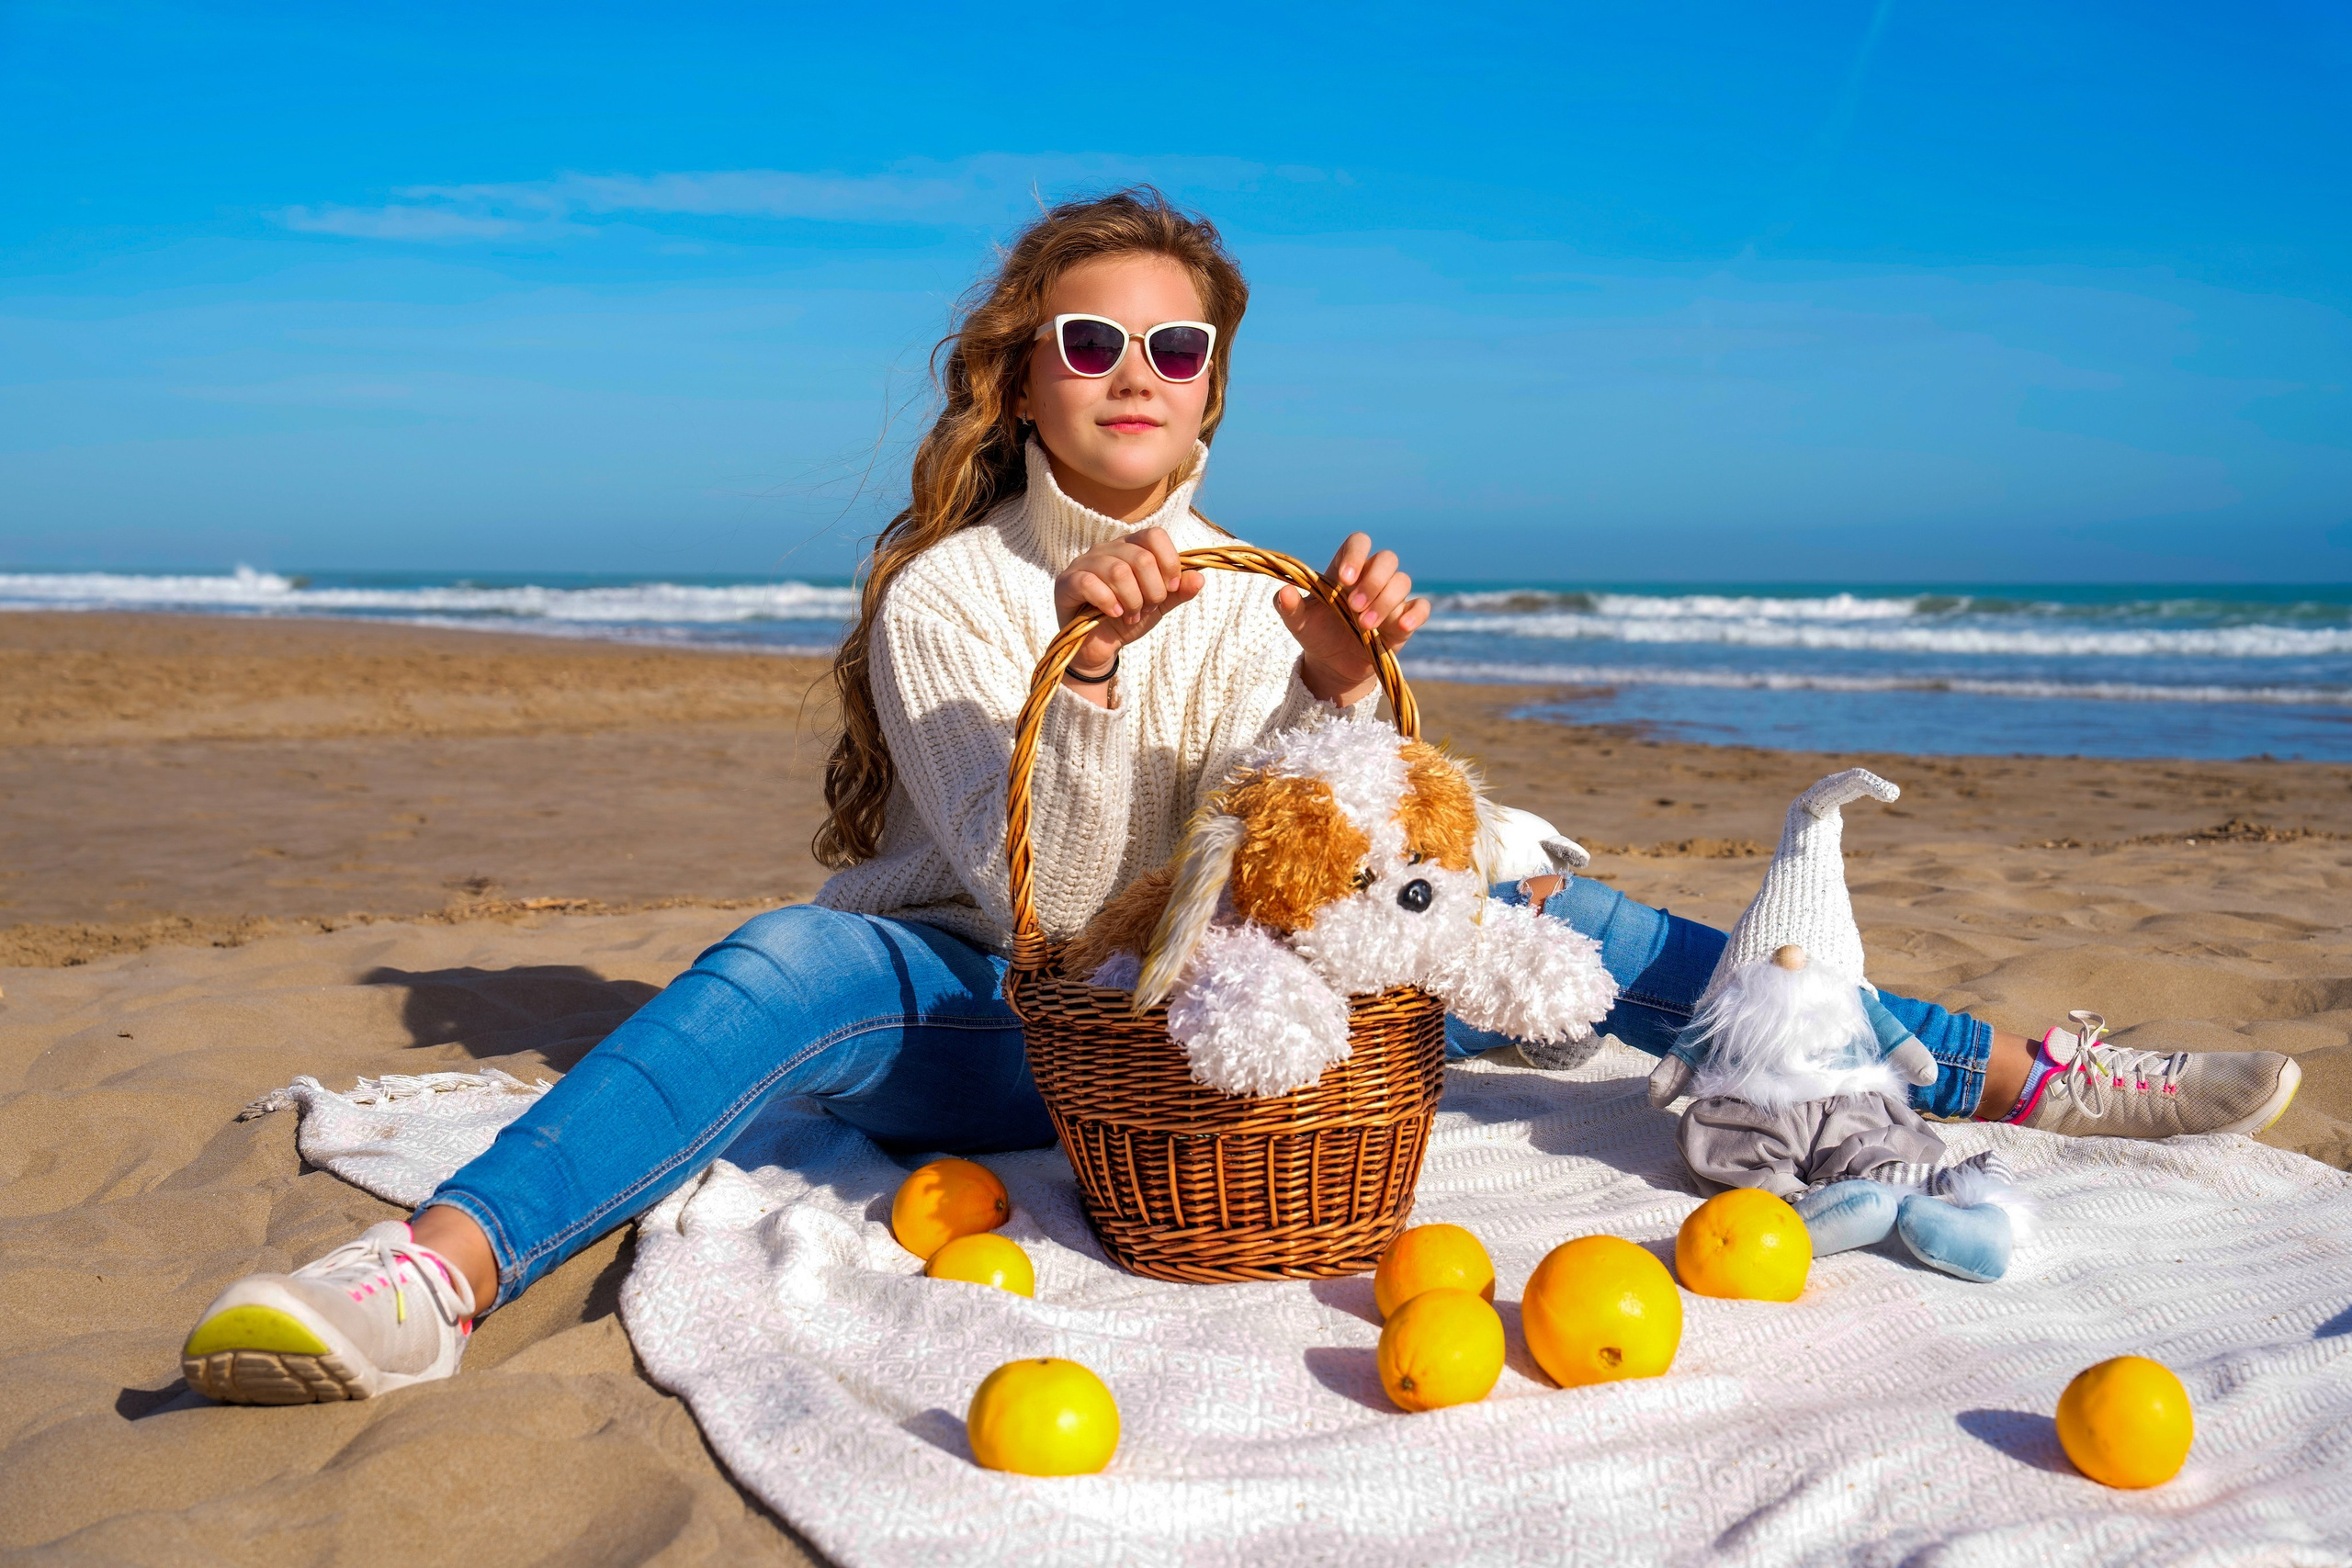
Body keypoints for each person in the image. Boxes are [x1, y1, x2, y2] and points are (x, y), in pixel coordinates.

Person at [178, 189, 2301, 1404]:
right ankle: (434, 1275)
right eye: (1087, 342)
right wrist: (1086, 667)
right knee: (781, 957)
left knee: (1544, 905)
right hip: (1012, 1022)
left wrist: (1336, 696)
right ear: (1020, 373)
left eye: (1172, 349)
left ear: (1213, 388)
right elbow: (1049, 900)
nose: (1132, 376)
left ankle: (2013, 1065)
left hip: (1253, 1015)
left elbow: (1323, 847)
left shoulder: (1258, 575)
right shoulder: (946, 594)